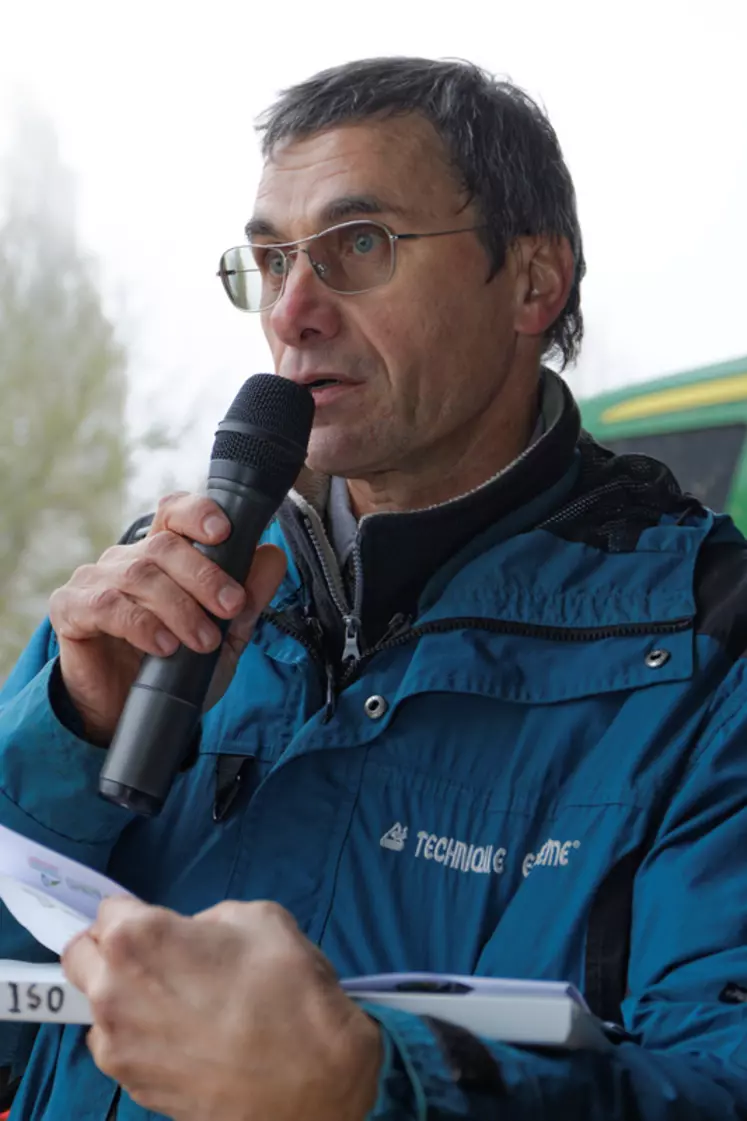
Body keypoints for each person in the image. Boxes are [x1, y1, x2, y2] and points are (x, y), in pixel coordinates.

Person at [1, 54, 747, 1121]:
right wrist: (67, 735)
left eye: (361, 245)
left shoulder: (714, 647)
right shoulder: (154, 592)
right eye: (269, 260)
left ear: (535, 281)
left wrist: (373, 1086)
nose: (294, 312)